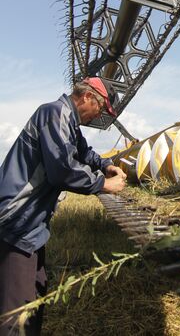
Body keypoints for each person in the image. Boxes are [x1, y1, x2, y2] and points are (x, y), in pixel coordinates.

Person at [0, 77, 126, 335]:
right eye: (100, 109)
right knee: (18, 311)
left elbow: (83, 152)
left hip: (31, 227)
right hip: (16, 222)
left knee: (36, 290)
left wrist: (106, 164)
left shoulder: (67, 121)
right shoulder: (54, 114)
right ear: (88, 97)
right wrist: (104, 184)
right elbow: (62, 170)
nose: (97, 116)